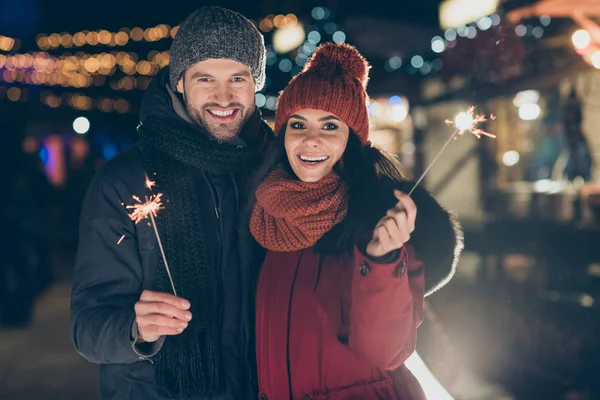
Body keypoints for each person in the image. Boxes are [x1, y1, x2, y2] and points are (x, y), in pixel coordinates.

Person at [70, 6, 272, 400]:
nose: (224, 97)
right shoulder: (124, 182)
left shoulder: (276, 169)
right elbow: (86, 328)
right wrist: (135, 328)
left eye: (238, 78)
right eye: (205, 79)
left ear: (255, 83)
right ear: (179, 82)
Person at [249, 43, 463, 399]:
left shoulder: (377, 217)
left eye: (330, 125)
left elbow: (387, 352)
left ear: (353, 139)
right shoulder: (268, 216)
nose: (310, 139)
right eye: (297, 124)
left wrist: (381, 258)